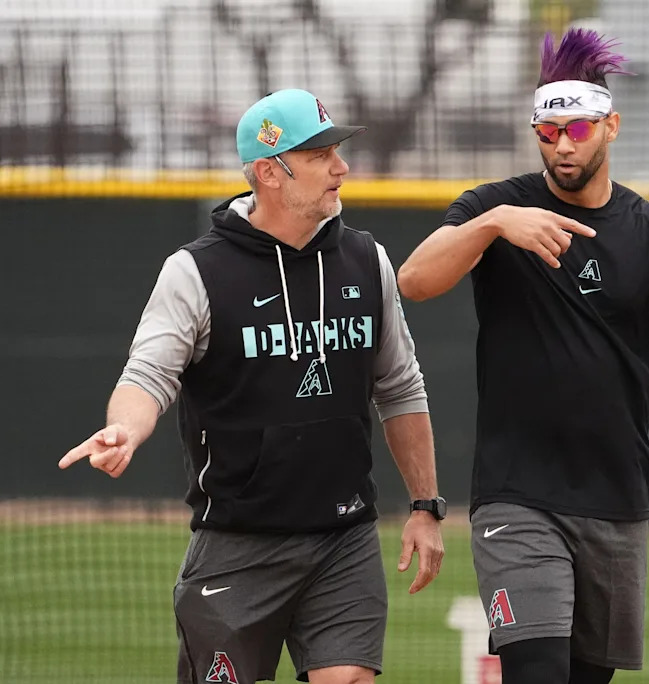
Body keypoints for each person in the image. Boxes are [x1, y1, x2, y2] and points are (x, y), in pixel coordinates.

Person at [397, 29, 649, 684]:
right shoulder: (493, 206)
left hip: (615, 499)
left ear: (610, 126)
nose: (563, 145)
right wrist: (491, 225)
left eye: (578, 129)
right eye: (548, 132)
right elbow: (414, 281)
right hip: (518, 499)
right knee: (536, 672)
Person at [59, 88, 446, 684]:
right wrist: (124, 428)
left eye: (338, 150)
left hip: (343, 538)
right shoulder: (196, 270)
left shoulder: (368, 260)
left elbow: (400, 387)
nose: (341, 168)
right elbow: (149, 374)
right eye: (320, 155)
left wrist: (425, 506)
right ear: (269, 171)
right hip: (237, 542)